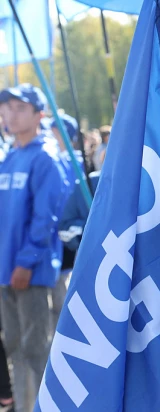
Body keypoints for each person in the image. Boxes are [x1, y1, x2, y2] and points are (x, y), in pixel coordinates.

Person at [0, 84, 70, 412]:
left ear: (38, 115)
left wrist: (26, 263)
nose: (9, 114)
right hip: (6, 269)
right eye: (7, 107)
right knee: (13, 345)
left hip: (31, 272)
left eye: (19, 107)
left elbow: (46, 218)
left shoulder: (45, 157)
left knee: (36, 349)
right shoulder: (11, 156)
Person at [50, 113, 90, 330]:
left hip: (69, 238)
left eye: (55, 130)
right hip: (55, 234)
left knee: (65, 300)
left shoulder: (75, 162)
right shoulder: (54, 159)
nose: (51, 134)